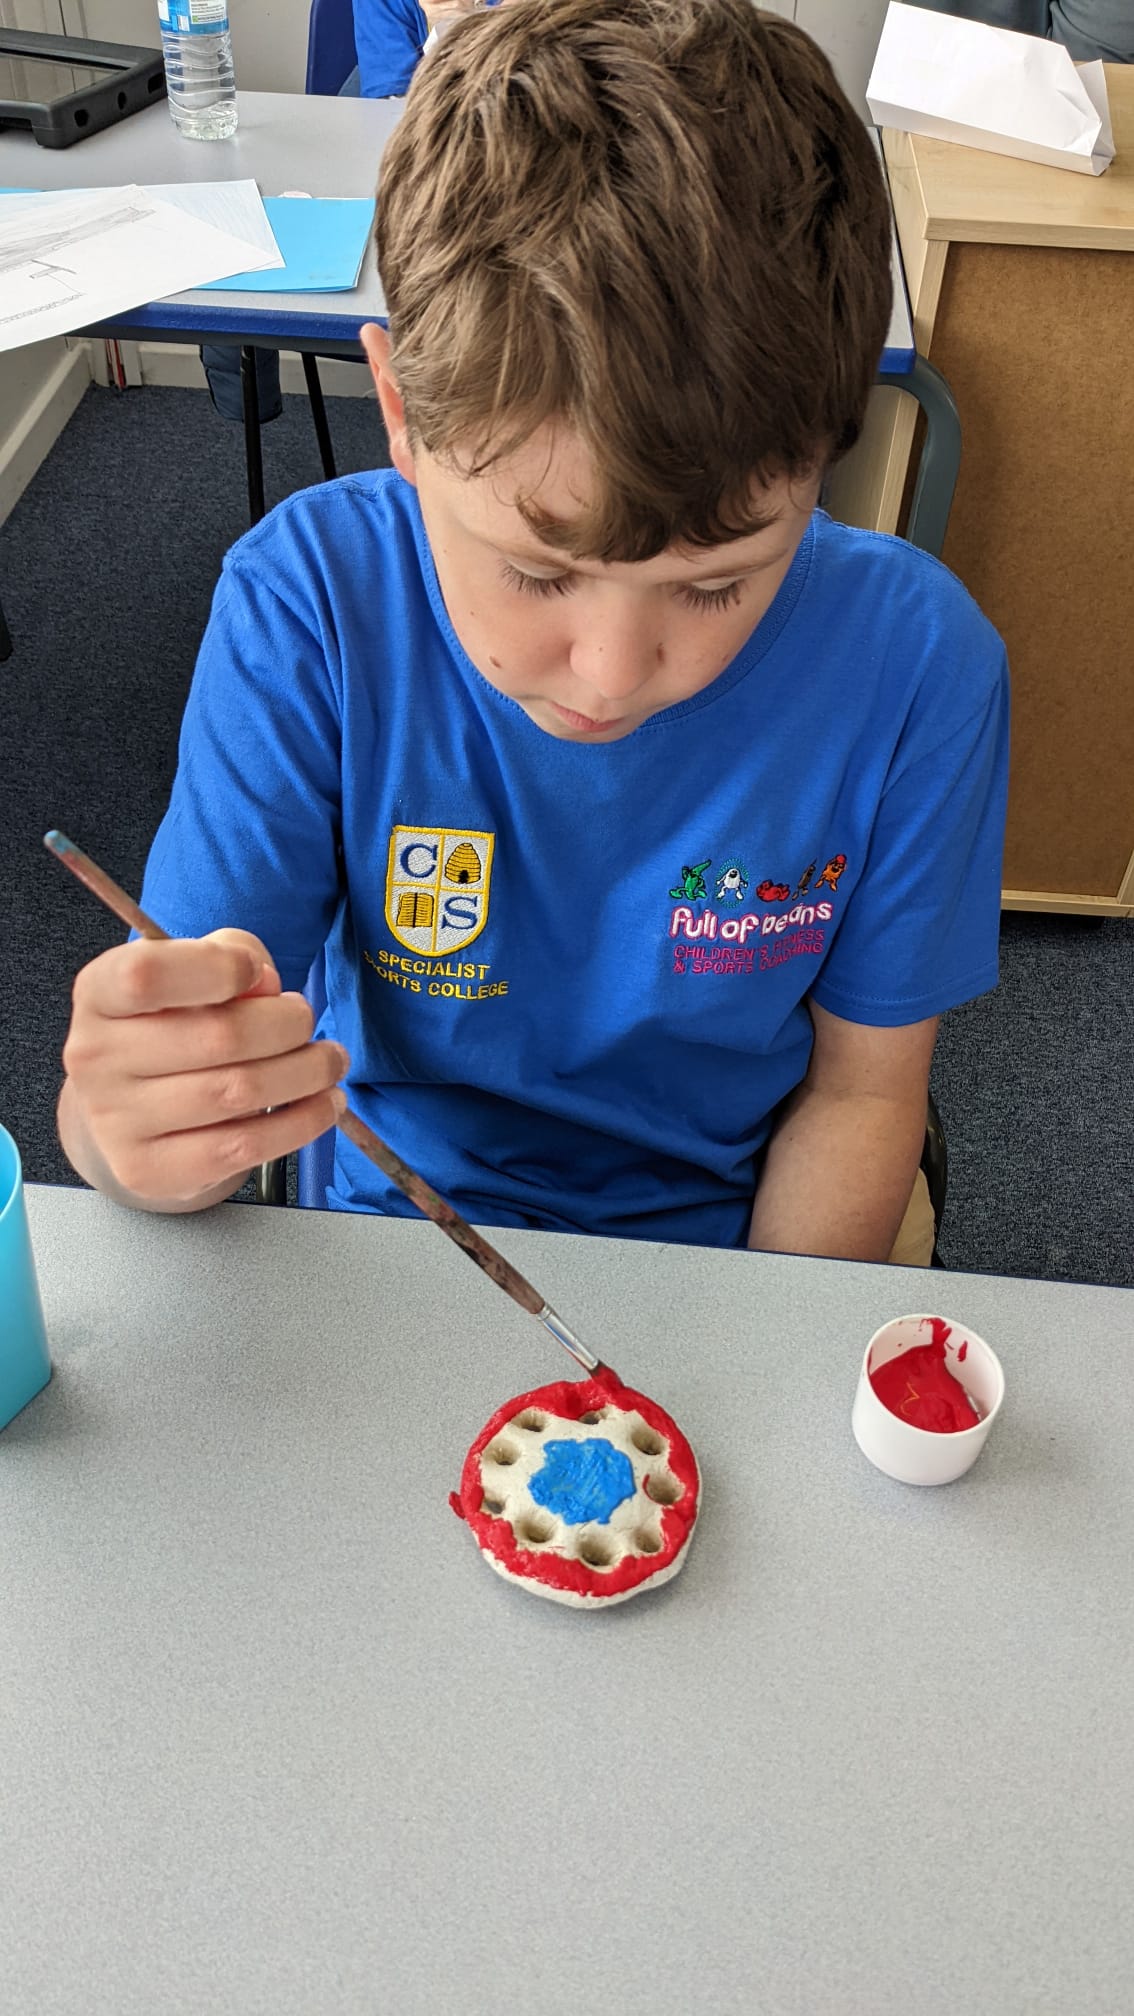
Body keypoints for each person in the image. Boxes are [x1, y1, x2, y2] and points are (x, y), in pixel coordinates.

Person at [58, 0, 1009, 1267]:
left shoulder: (918, 662)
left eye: (718, 585)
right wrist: (128, 1129)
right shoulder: (310, 602)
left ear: (825, 467)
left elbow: (861, 1094)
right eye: (532, 570)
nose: (613, 677)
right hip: (399, 1245)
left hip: (736, 1255)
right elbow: (163, 1106)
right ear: (398, 410)